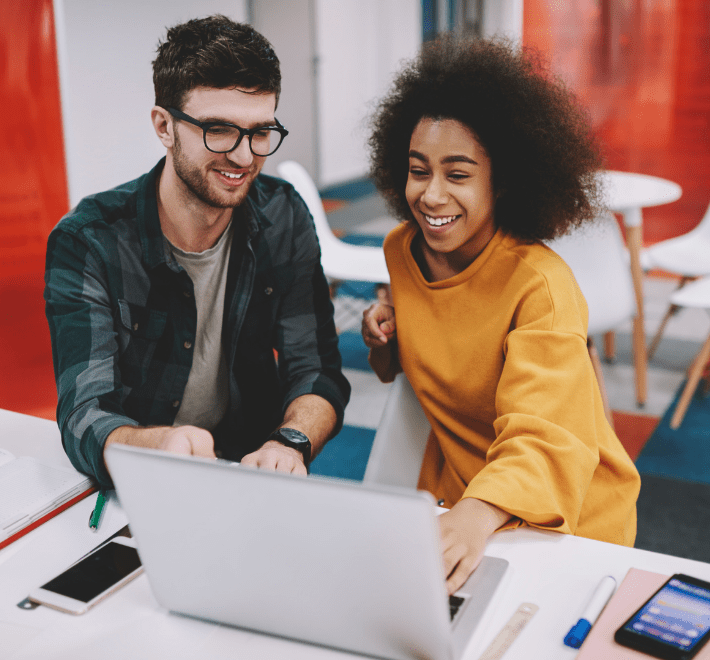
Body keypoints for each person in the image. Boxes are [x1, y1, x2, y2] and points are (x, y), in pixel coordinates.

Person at [362, 37, 641, 595]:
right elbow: (425, 348)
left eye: (458, 175)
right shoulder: (401, 248)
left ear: (503, 179)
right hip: (464, 497)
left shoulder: (539, 285)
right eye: (419, 170)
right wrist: (383, 330)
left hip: (562, 513)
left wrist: (475, 514)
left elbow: (546, 436)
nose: (432, 196)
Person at [45, 15, 350, 488]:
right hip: (140, 482)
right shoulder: (90, 240)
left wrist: (288, 442)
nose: (245, 157)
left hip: (247, 471)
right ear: (164, 126)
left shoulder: (283, 217)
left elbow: (316, 372)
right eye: (220, 130)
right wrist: (160, 447)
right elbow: (84, 415)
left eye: (260, 131)